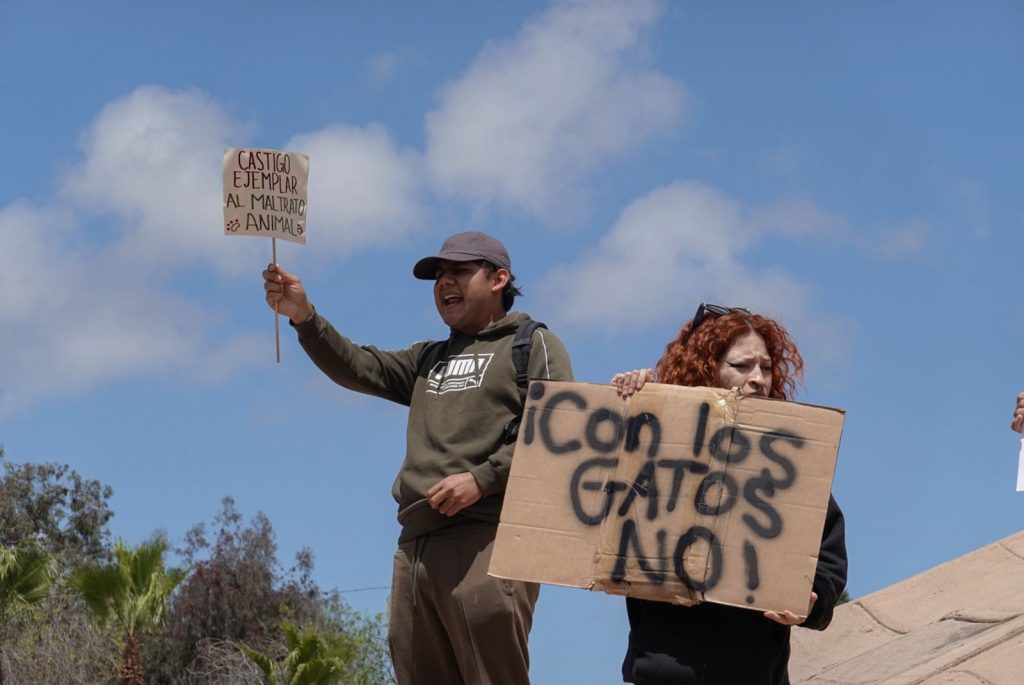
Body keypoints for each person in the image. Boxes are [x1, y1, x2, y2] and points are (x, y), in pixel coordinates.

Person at [263, 231, 573, 685]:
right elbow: (358, 366)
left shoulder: (532, 345)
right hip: (414, 548)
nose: (445, 283)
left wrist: (482, 479)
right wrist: (304, 317)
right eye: (438, 276)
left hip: (487, 539)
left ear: (498, 278)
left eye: (460, 272)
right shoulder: (429, 358)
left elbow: (559, 431)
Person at [610, 303, 847, 685]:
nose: (758, 379)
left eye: (766, 367)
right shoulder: (656, 442)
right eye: (742, 366)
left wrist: (811, 601)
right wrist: (625, 406)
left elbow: (826, 555)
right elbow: (604, 509)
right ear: (705, 369)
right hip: (662, 672)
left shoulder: (787, 466)